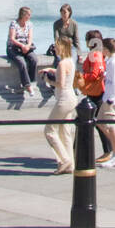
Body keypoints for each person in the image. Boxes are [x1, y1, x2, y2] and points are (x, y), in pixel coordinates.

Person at [42, 36, 78, 173]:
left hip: (63, 99)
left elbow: (60, 84)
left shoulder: (62, 64)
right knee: (65, 131)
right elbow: (65, 76)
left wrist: (48, 80)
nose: (55, 48)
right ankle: (70, 164)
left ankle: (64, 159)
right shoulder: (70, 61)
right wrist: (51, 70)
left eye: (57, 46)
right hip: (71, 98)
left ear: (62, 47)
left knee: (49, 130)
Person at [75, 30, 110, 160]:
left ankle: (109, 150)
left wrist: (81, 76)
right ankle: (109, 149)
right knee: (95, 122)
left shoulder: (95, 55)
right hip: (97, 92)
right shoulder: (99, 54)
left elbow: (94, 75)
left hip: (95, 93)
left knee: (93, 122)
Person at [97, 37, 115, 167]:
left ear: (106, 49)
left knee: (111, 126)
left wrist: (112, 100)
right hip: (107, 98)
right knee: (99, 122)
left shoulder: (114, 62)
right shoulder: (112, 61)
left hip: (112, 100)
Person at [7, 6, 38, 96]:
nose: (30, 16)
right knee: (22, 63)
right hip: (14, 48)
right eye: (28, 14)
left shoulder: (29, 24)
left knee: (34, 59)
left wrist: (27, 46)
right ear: (23, 15)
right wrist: (22, 46)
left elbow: (30, 37)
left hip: (26, 47)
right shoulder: (14, 23)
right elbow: (12, 39)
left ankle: (31, 81)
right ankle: (27, 85)